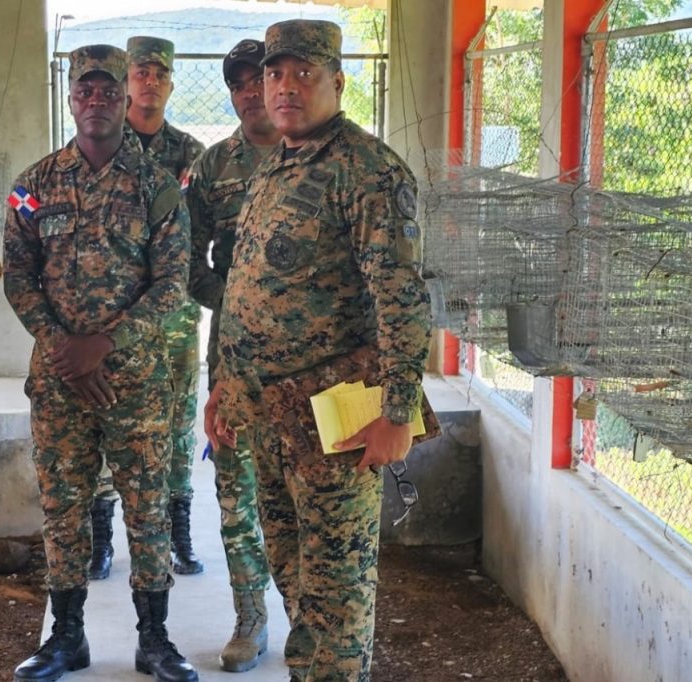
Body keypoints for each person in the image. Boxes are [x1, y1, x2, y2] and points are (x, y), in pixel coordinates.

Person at [205, 20, 433, 682]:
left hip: (335, 421)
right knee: (295, 580)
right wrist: (225, 387)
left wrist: (397, 413)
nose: (285, 87)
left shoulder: (367, 171)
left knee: (337, 595)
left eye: (304, 74)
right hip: (266, 416)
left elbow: (401, 300)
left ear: (337, 81)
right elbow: (246, 290)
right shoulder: (276, 165)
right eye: (275, 74)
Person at [5, 44, 197, 682]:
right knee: (63, 507)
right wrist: (64, 348)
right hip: (60, 380)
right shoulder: (32, 187)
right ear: (70, 99)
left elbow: (172, 284)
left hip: (134, 381)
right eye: (84, 91)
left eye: (108, 91)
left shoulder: (157, 186)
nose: (96, 101)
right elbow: (19, 276)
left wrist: (105, 344)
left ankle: (155, 639)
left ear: (125, 97)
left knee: (146, 506)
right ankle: (67, 639)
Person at [89, 35, 208, 580]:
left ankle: (179, 533)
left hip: (174, 317)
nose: (151, 82)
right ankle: (102, 541)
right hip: (111, 318)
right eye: (141, 73)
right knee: (105, 418)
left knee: (179, 423)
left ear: (170, 84)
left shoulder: (192, 154)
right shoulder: (102, 144)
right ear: (126, 82)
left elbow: (200, 232)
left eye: (160, 74)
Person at [184, 38, 279, 673]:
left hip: (315, 361)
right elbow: (187, 259)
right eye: (238, 84)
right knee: (236, 489)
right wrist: (237, 302)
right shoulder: (214, 166)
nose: (249, 92)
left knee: (309, 491)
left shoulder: (325, 158)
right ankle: (250, 617)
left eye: (258, 80)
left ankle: (315, 619)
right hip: (236, 355)